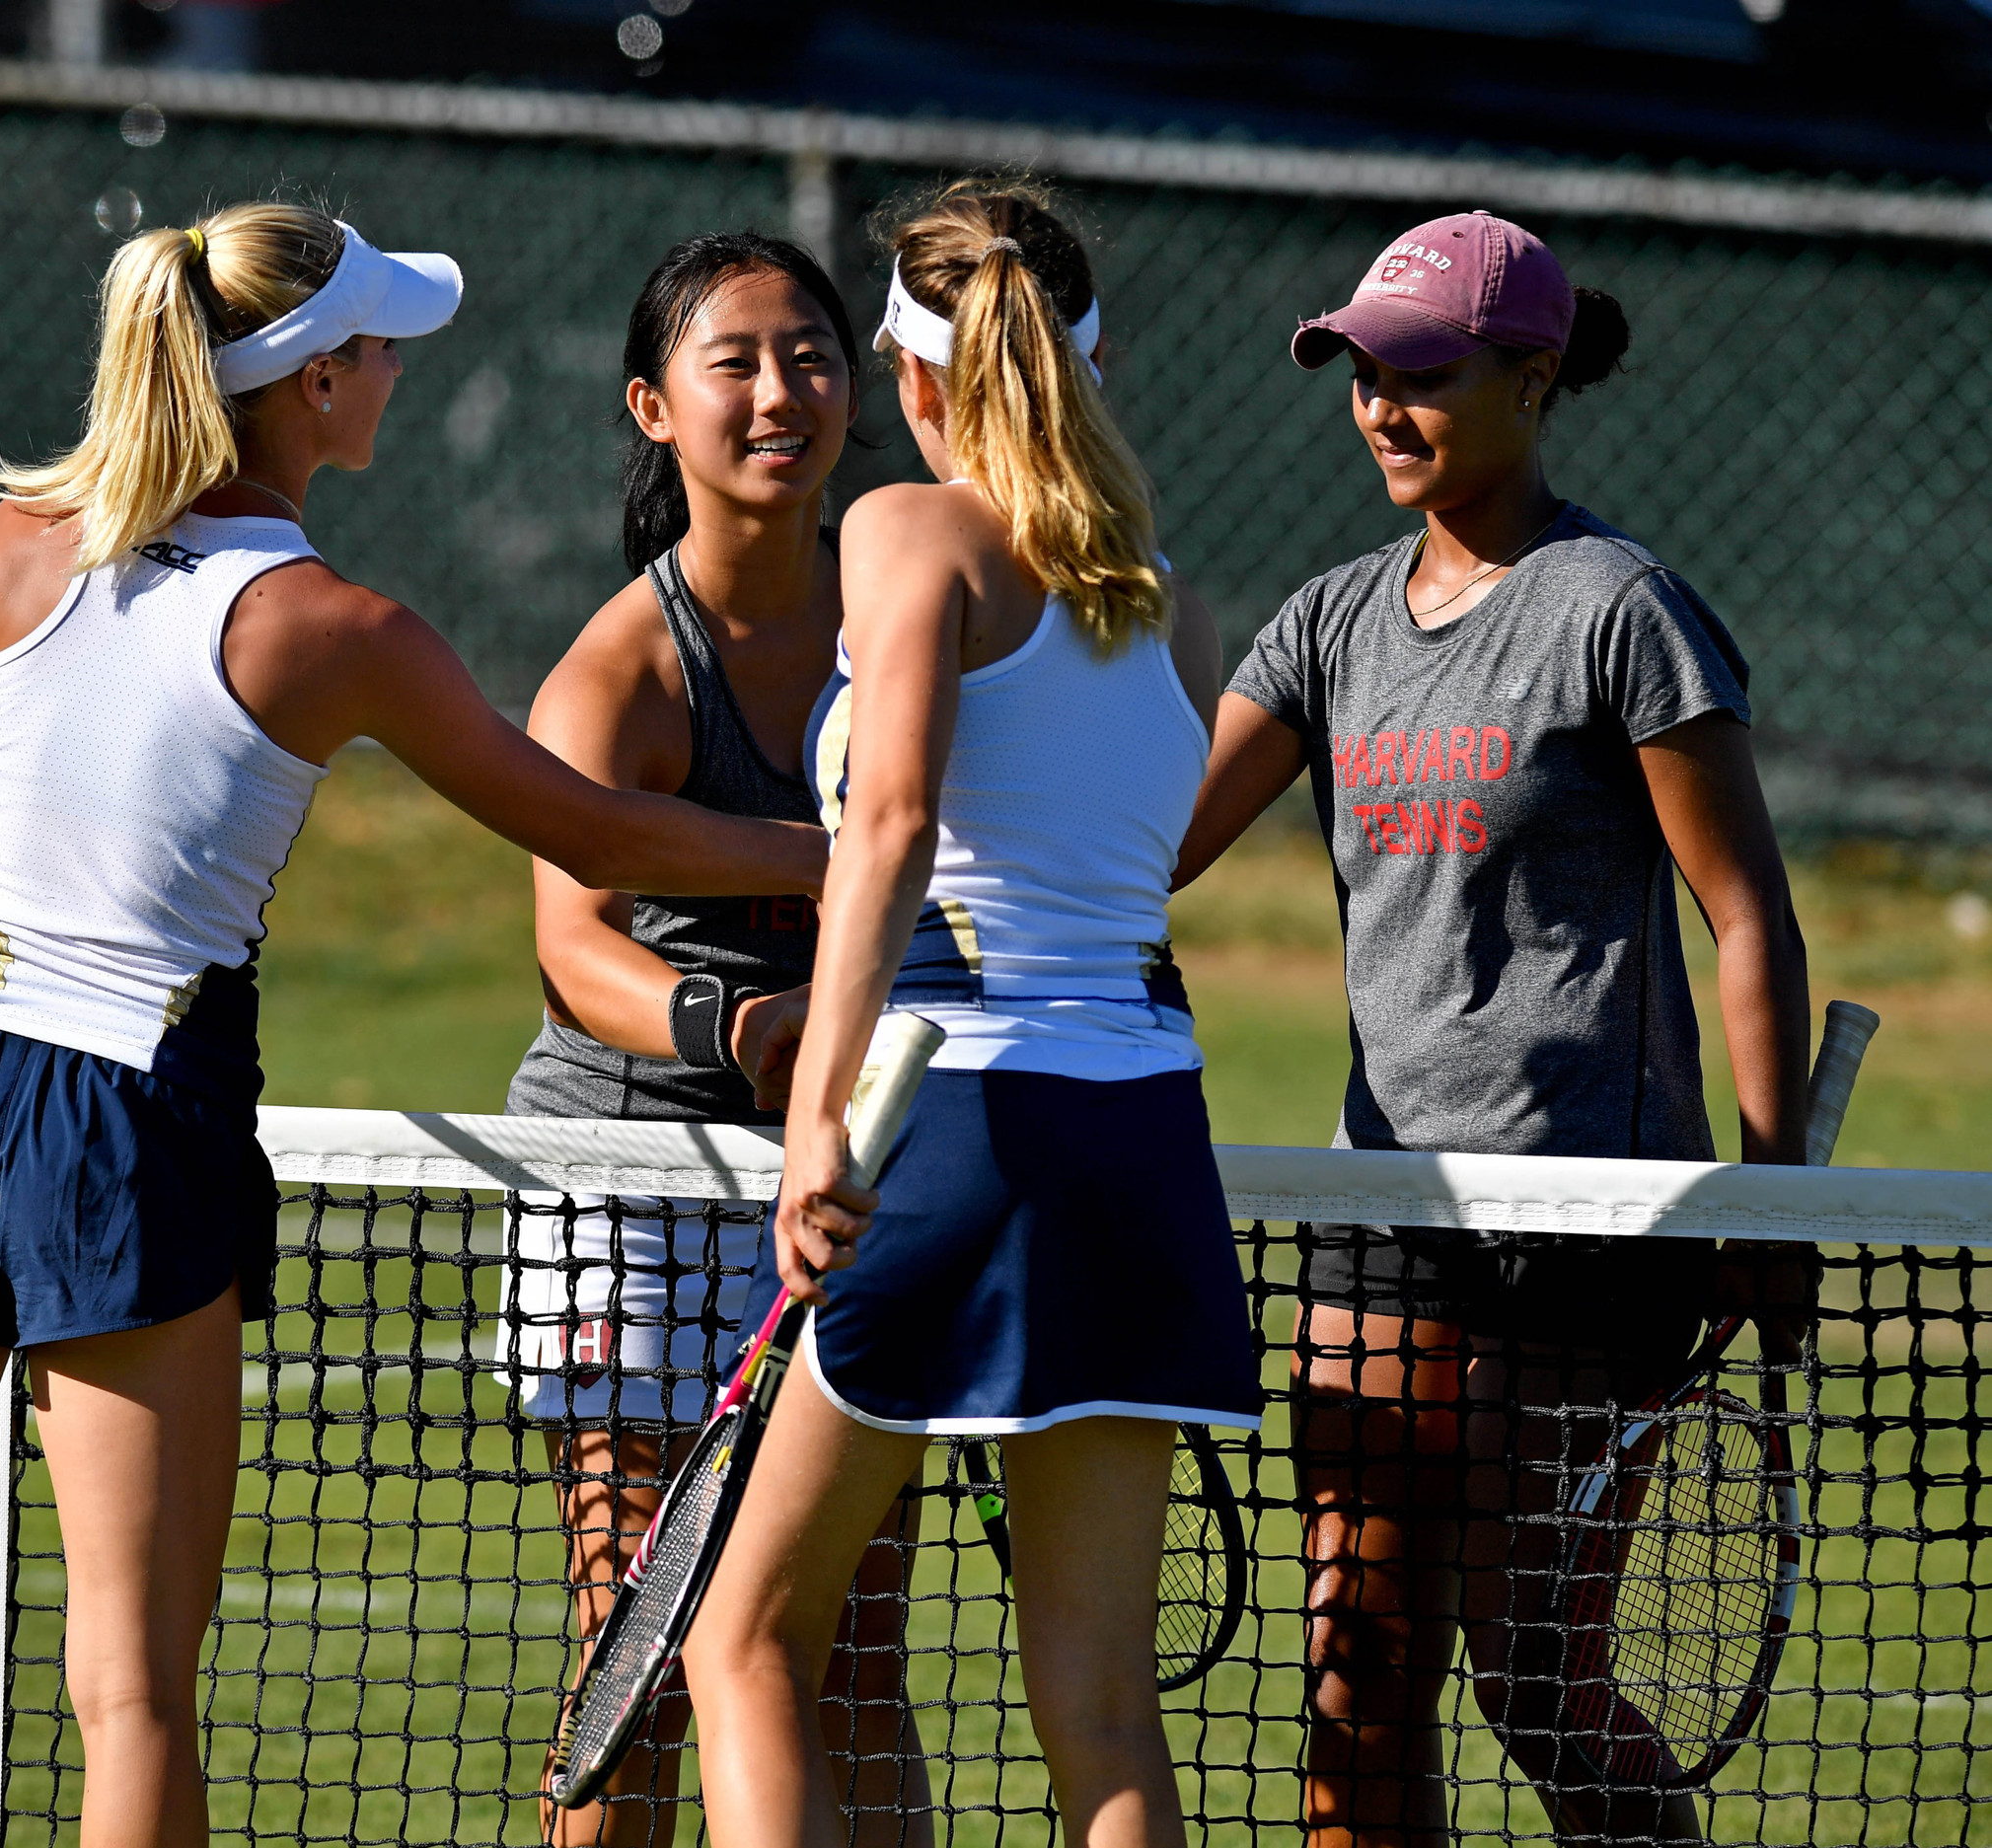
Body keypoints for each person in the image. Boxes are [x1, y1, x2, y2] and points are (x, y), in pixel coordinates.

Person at [0, 201, 825, 1848]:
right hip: (126, 1122)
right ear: (311, 386)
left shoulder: (21, 539)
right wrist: (838, 854)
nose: (392, 367)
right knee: (136, 1690)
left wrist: (4, 895)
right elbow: (593, 834)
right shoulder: (341, 631)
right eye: (375, 344)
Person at [1172, 210, 1813, 1847]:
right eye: (1361, 375)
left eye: (1423, 374)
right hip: (1384, 1216)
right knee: (1356, 1667)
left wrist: (1772, 1193)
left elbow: (1748, 914)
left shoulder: (1619, 609)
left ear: (1533, 378)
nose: (1382, 406)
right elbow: (1147, 852)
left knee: (1533, 1670)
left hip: (1588, 1228)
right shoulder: (1322, 626)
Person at [679, 180, 1263, 1848]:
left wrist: (816, 1129)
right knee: (1101, 1710)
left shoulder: (902, 533)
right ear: (1095, 358)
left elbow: (890, 828)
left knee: (747, 1640)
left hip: (960, 1134)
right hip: (1148, 1140)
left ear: (915, 371)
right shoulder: (1169, 603)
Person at [498, 231, 925, 1848]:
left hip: (838, 1190)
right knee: (646, 1655)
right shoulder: (618, 670)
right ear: (653, 408)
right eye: (733, 361)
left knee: (855, 1654)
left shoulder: (906, 625)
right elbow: (568, 946)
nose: (778, 392)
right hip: (630, 1184)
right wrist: (741, 1022)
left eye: (810, 354)